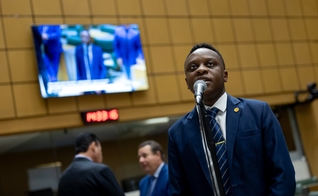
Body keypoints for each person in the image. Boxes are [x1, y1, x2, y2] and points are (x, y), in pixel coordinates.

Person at [167, 43, 296, 195]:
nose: (201, 69)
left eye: (210, 64)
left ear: (225, 75)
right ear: (187, 82)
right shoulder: (177, 133)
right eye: (193, 67)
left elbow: (283, 175)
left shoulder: (258, 112)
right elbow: (178, 191)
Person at [58, 132, 125, 196]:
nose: (101, 155)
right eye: (100, 150)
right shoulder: (101, 170)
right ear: (93, 147)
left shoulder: (63, 178)